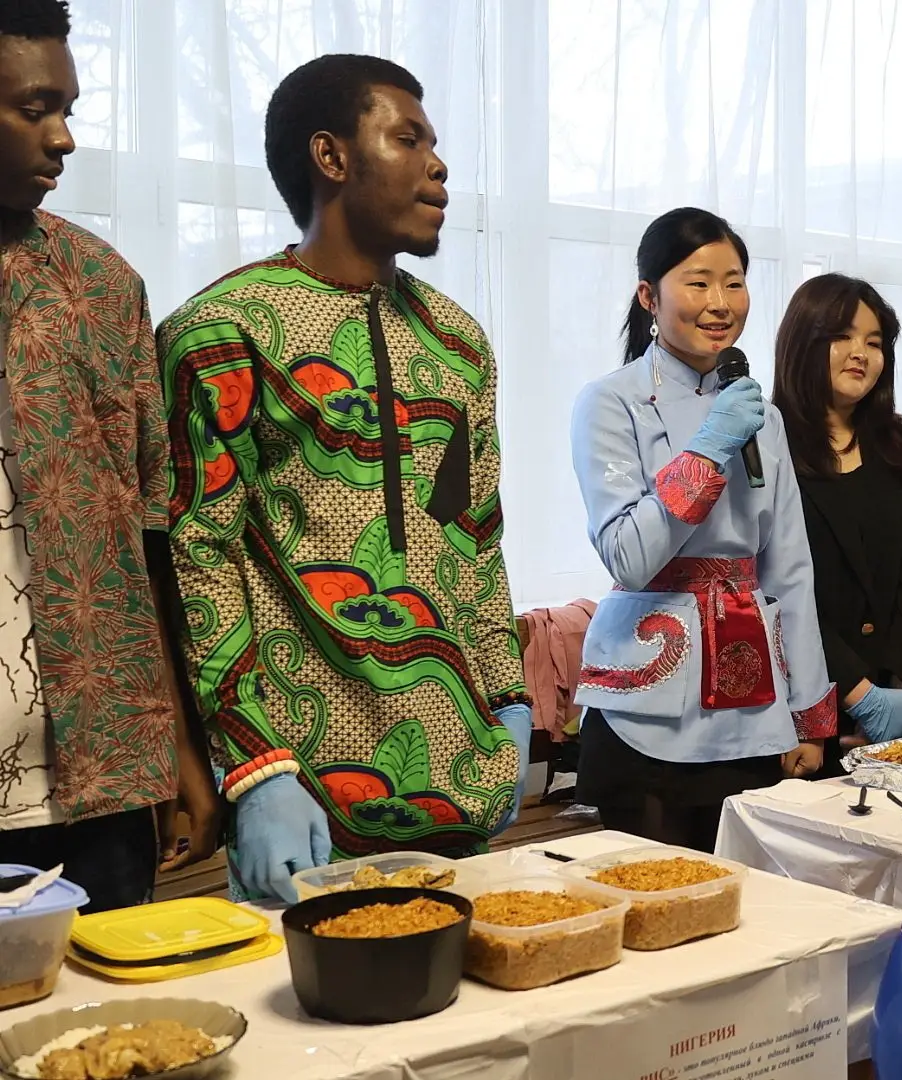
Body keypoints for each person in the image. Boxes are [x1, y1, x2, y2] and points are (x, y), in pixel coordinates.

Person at [159, 54, 530, 904]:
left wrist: (512, 705)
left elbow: (477, 538)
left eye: (435, 143)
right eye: (409, 139)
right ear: (331, 156)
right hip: (304, 800)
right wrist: (256, 768)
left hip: (464, 791)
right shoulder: (222, 333)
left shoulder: (459, 344)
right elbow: (196, 559)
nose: (438, 164)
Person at [0, 0, 219, 911]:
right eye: (34, 109)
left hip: (102, 782)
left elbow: (148, 534)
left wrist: (180, 750)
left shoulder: (101, 285)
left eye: (68, 110)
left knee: (114, 1003)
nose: (63, 138)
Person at [570, 207, 836, 852]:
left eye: (734, 282)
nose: (720, 302)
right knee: (649, 894)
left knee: (749, 893)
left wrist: (808, 712)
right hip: (645, 702)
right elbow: (629, 556)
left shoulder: (762, 414)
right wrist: (710, 447)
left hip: (752, 700)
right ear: (648, 297)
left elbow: (789, 568)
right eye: (698, 282)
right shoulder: (609, 401)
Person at [772, 274, 902, 766]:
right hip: (808, 706)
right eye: (842, 336)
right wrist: (857, 693)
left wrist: (897, 687)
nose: (861, 353)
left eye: (874, 343)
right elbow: (779, 590)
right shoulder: (768, 446)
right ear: (802, 343)